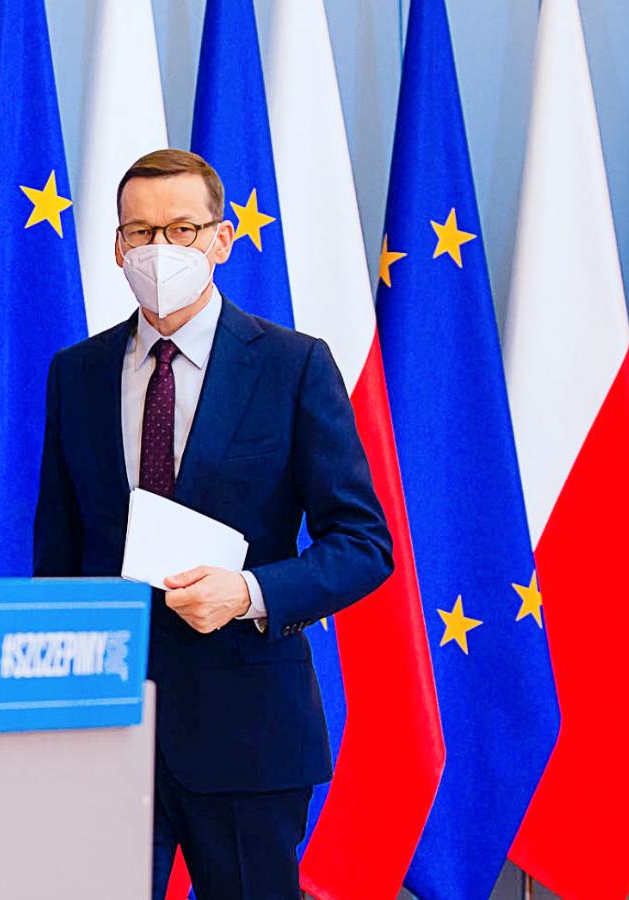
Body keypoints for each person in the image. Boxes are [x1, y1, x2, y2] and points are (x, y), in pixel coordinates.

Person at [34, 149, 394, 899]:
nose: (159, 249)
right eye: (140, 232)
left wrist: (249, 593)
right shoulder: (77, 373)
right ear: (117, 247)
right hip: (105, 732)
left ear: (222, 239)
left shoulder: (293, 366)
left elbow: (363, 544)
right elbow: (58, 556)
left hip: (247, 732)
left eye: (181, 230)